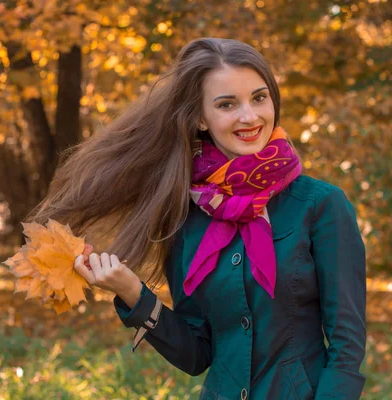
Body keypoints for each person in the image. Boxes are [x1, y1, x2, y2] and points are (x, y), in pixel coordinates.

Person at [29, 37, 366, 400]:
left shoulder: (321, 206)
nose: (249, 116)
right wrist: (131, 291)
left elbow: (347, 348)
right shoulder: (185, 216)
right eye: (227, 104)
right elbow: (197, 354)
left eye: (259, 97)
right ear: (200, 118)